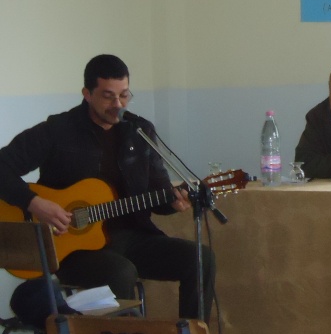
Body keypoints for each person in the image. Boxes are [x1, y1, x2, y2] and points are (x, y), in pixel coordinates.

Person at [0, 54, 215, 320]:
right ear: (87, 94)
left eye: (124, 95)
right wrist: (34, 202)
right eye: (108, 96)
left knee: (200, 258)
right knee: (120, 271)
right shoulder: (58, 130)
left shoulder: (140, 131)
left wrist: (174, 202)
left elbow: (158, 194)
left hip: (134, 237)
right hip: (70, 247)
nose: (118, 105)